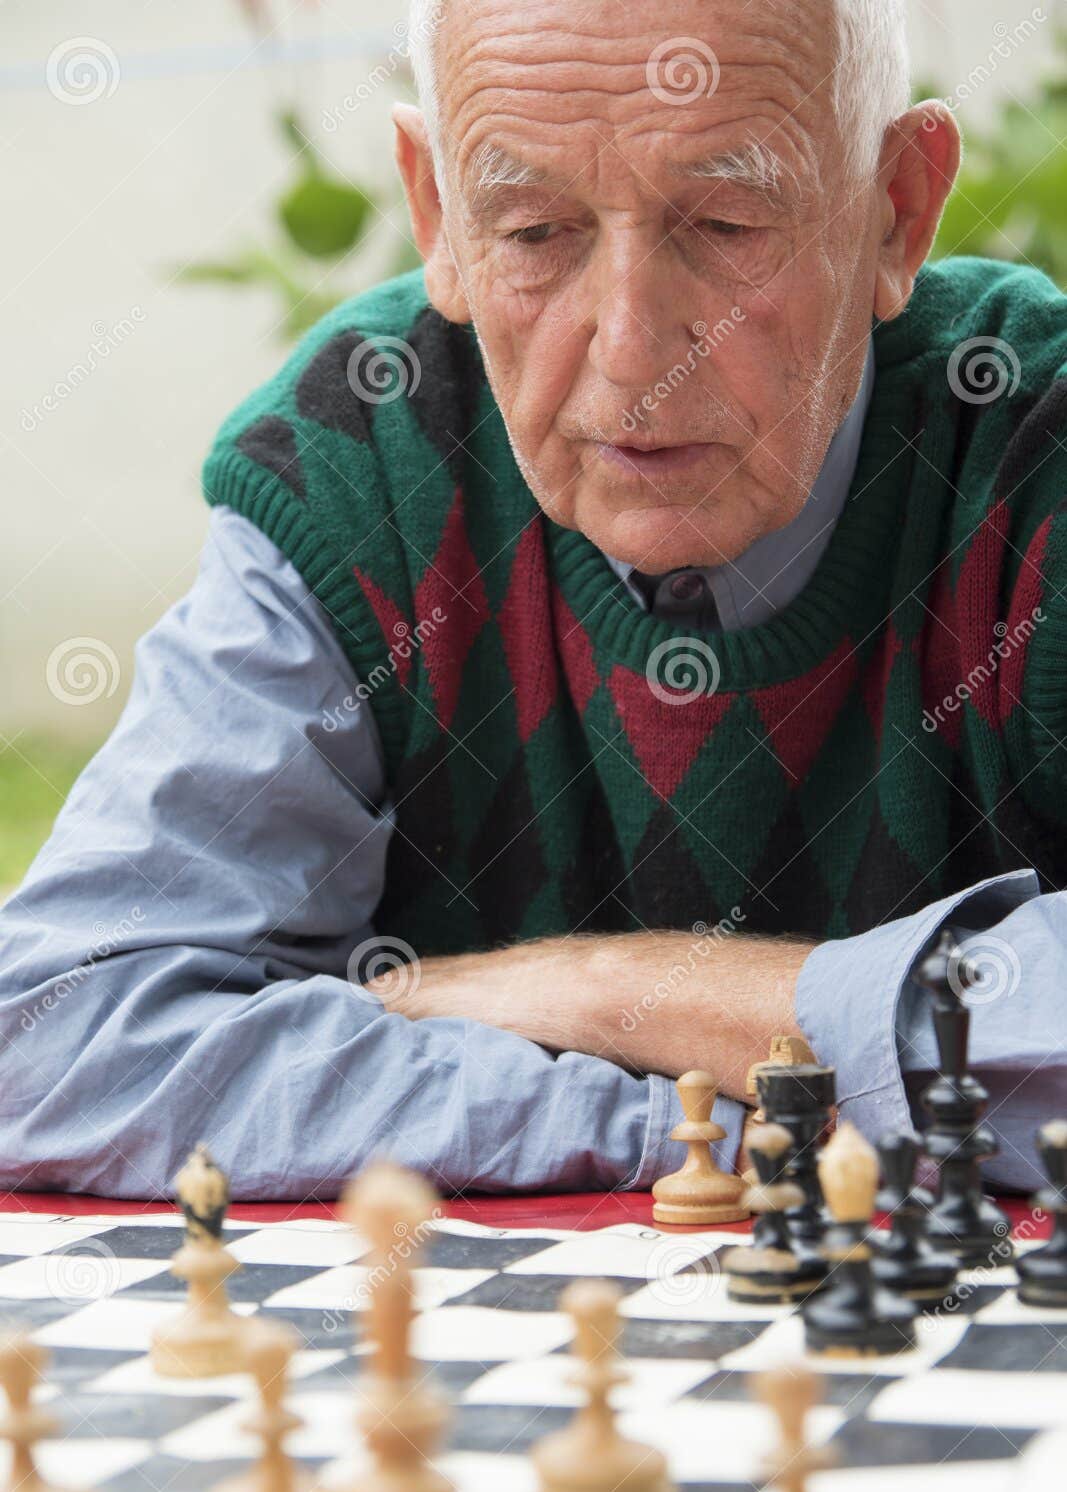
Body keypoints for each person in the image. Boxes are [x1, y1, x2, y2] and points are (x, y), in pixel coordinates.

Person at [1, 0, 1064, 1200]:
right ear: (436, 214)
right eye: (534, 228)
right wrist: (691, 1128)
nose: (626, 345)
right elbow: (56, 1030)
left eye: (722, 222)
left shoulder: (1036, 451)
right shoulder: (366, 468)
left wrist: (593, 993)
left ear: (897, 208)